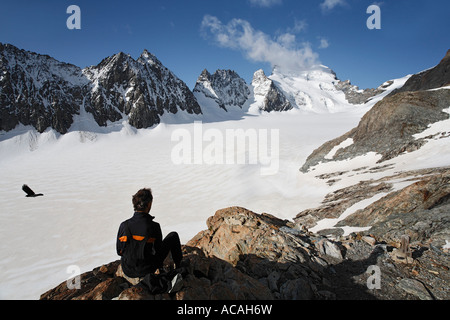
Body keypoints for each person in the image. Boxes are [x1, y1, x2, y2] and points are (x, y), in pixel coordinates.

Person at [116, 188, 183, 284]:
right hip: (146, 269)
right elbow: (158, 250)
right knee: (173, 235)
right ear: (149, 204)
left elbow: (119, 251)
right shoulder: (154, 226)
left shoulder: (124, 225)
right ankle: (179, 266)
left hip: (128, 270)